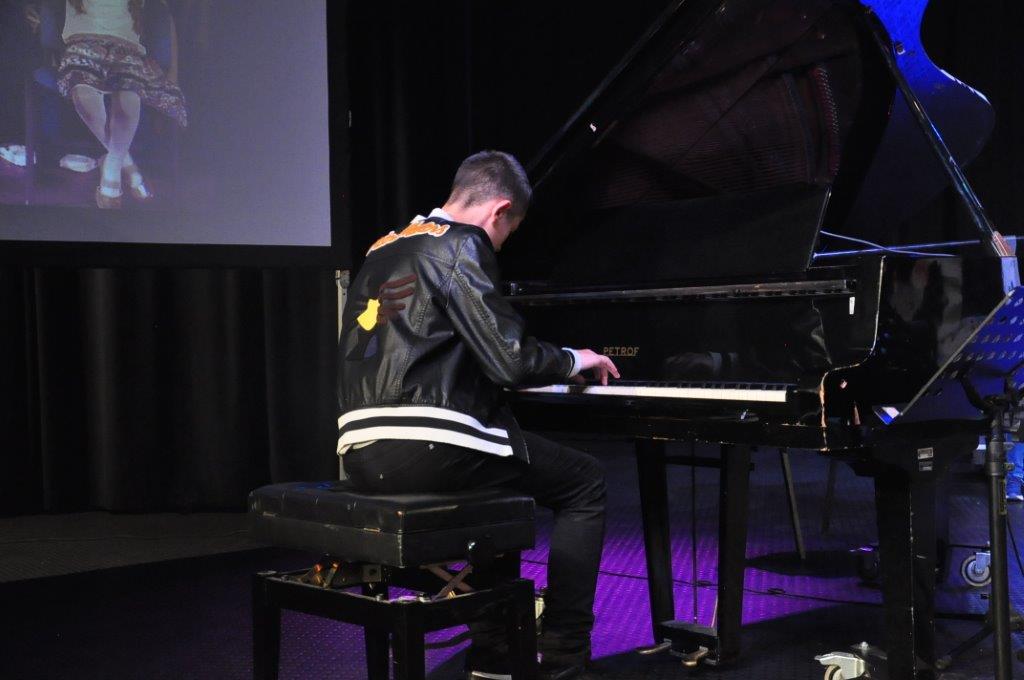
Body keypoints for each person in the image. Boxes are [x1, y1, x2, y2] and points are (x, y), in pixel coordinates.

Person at [337, 150, 619, 680]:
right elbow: (510, 360)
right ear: (500, 210)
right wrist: (574, 359)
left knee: (499, 477)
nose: (501, 244)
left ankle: (496, 649)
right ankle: (564, 651)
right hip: (427, 442)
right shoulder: (462, 244)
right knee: (585, 483)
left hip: (359, 451)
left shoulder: (382, 246)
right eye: (508, 232)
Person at [56, 0, 187, 208]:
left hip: (126, 51)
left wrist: (174, 72)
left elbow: (165, 15)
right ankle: (126, 166)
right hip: (81, 45)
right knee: (82, 92)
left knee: (128, 95)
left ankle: (112, 167)